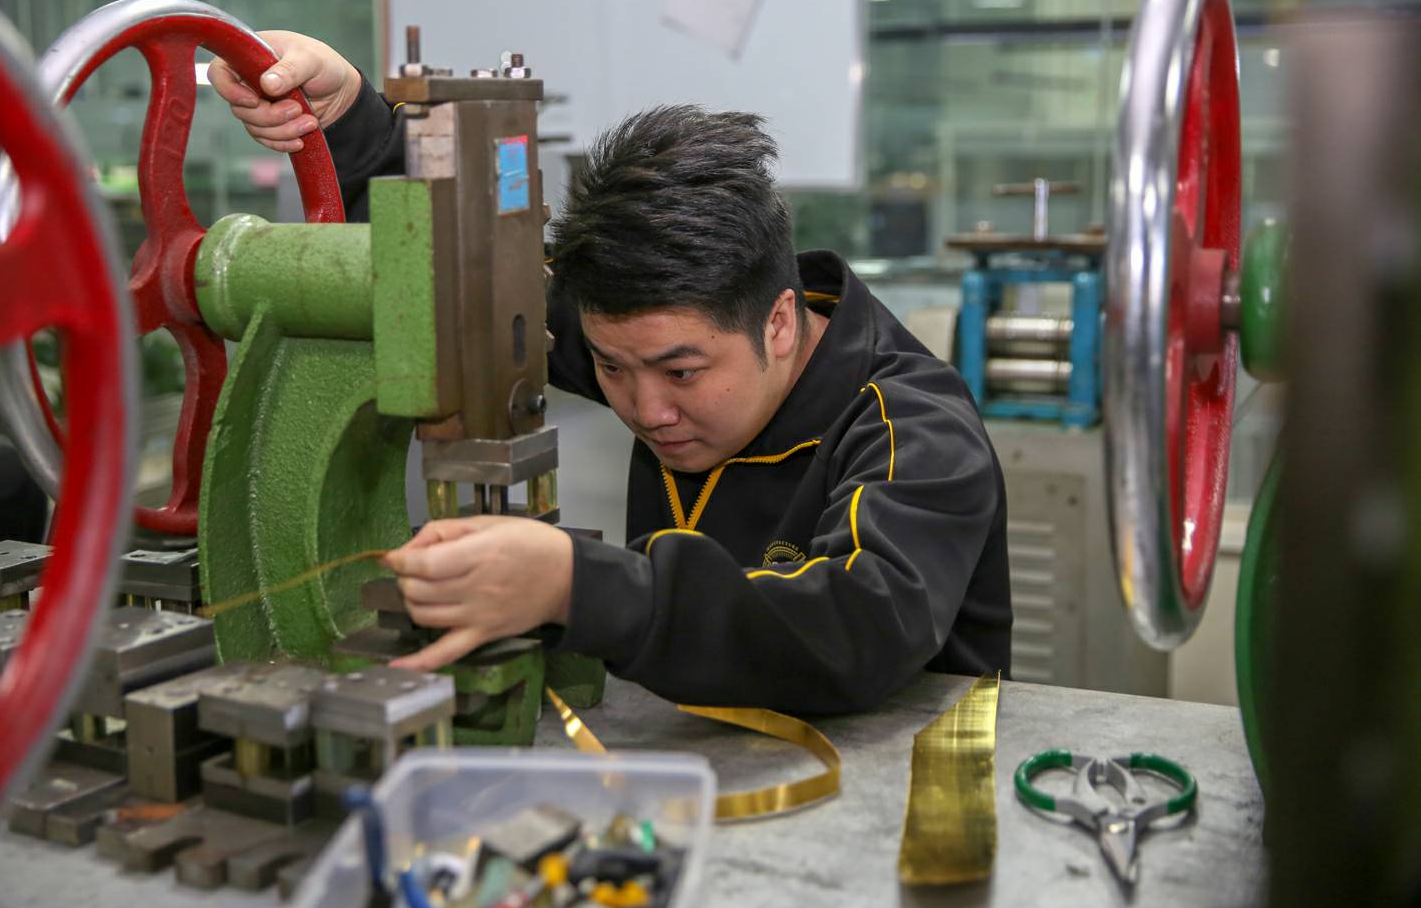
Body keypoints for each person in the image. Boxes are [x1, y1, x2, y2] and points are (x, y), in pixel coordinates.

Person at [210, 37, 1011, 713]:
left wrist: (577, 587)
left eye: (681, 372)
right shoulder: (645, 336)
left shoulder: (915, 426)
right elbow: (472, 280)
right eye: (610, 368)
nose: (646, 409)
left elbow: (860, 625)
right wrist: (350, 119)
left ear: (777, 321)